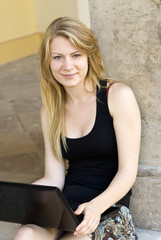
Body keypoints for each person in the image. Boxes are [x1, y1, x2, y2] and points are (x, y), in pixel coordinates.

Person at [14, 17, 141, 240]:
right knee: (26, 234)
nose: (67, 66)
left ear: (89, 56)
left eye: (76, 55)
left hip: (108, 209)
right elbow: (53, 178)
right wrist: (21, 195)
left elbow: (128, 171)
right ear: (48, 62)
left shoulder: (117, 96)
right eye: (58, 57)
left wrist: (96, 206)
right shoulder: (50, 111)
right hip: (66, 207)